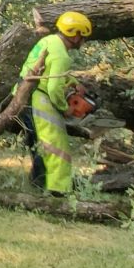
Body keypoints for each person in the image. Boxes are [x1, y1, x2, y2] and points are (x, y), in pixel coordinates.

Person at [18, 11, 91, 194]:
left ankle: (38, 184)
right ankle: (58, 189)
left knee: (38, 144)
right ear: (75, 36)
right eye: (83, 37)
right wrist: (64, 108)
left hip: (23, 94)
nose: (83, 41)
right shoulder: (62, 56)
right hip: (39, 97)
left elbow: (50, 71)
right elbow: (53, 88)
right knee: (55, 145)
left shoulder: (50, 40)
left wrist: (73, 82)